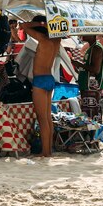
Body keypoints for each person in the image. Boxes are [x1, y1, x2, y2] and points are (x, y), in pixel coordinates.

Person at [20, 15, 62, 158]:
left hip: (39, 80)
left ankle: (45, 152)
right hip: (49, 78)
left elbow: (24, 26)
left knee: (42, 119)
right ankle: (48, 150)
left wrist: (40, 24)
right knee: (48, 118)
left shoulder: (42, 39)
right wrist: (47, 25)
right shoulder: (56, 40)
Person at [73, 34, 103, 119]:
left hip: (91, 85)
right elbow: (88, 67)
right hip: (86, 84)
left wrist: (80, 64)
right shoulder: (91, 48)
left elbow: (95, 69)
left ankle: (93, 131)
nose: (82, 35)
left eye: (86, 33)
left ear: (92, 35)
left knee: (91, 113)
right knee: (87, 111)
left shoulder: (96, 49)